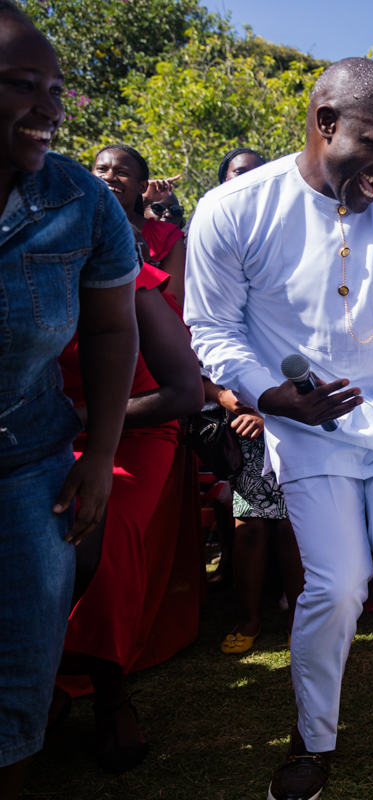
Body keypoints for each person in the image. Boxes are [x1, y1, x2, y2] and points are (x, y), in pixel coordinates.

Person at [185, 57, 373, 800]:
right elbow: (213, 327)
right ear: (325, 124)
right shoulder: (233, 209)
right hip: (305, 428)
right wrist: (269, 396)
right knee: (337, 583)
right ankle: (313, 737)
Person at [0, 4, 139, 796]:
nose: (50, 109)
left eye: (55, 88)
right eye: (24, 86)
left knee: (19, 667)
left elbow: (115, 333)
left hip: (28, 465)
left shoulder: (78, 202)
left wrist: (101, 456)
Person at [55, 261, 204, 773]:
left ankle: (110, 695)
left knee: (102, 529)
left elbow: (184, 392)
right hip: (39, 438)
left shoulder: (128, 280)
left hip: (135, 430)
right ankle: (42, 680)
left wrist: (67, 421)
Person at [204, 147, 303, 657]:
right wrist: (234, 402)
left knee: (290, 528)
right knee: (248, 529)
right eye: (237, 175)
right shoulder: (213, 250)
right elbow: (199, 357)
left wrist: (273, 406)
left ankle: (301, 620)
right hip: (242, 423)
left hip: (294, 417)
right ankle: (248, 617)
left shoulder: (289, 248)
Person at [91, 144, 187, 304]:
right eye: (101, 169)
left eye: (122, 172)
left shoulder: (166, 236)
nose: (108, 177)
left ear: (142, 186)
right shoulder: (72, 223)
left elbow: (173, 302)